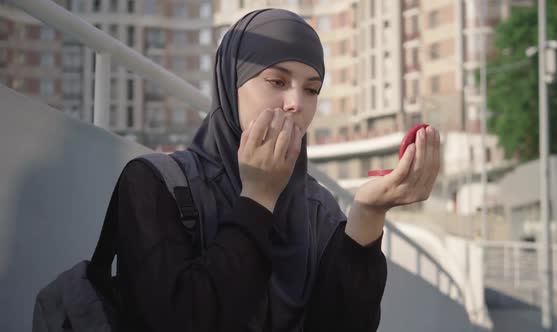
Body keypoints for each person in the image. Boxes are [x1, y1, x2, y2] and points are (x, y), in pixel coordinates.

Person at [113, 8, 440, 332]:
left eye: (311, 89)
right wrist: (257, 198)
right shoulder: (154, 184)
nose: (296, 102)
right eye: (277, 81)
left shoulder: (319, 209)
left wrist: (368, 214)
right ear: (232, 83)